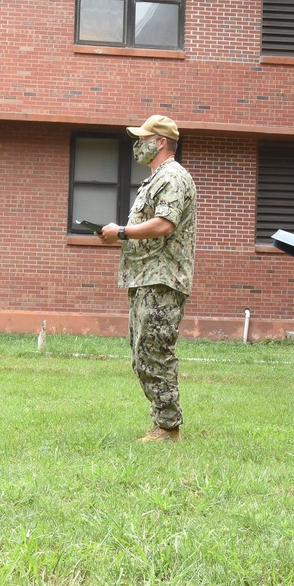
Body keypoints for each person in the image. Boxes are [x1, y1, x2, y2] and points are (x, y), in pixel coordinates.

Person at [99, 115, 197, 442]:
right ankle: (162, 422)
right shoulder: (156, 178)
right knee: (142, 352)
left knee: (155, 351)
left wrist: (122, 232)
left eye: (143, 139)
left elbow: (165, 224)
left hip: (162, 278)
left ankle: (169, 427)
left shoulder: (173, 177)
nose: (137, 145)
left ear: (161, 142)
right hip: (146, 276)